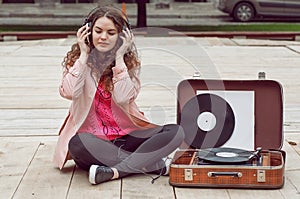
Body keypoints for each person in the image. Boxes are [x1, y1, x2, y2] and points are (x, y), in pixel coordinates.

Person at [52, 6, 185, 185]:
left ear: (121, 37)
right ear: (88, 32)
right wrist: (83, 55)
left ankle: (114, 172)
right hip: (94, 142)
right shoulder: (77, 62)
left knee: (176, 131)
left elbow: (123, 98)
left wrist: (120, 58)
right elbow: (68, 92)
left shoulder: (128, 65)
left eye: (111, 32)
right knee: (77, 143)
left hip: (127, 137)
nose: (103, 37)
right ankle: (147, 163)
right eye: (98, 31)